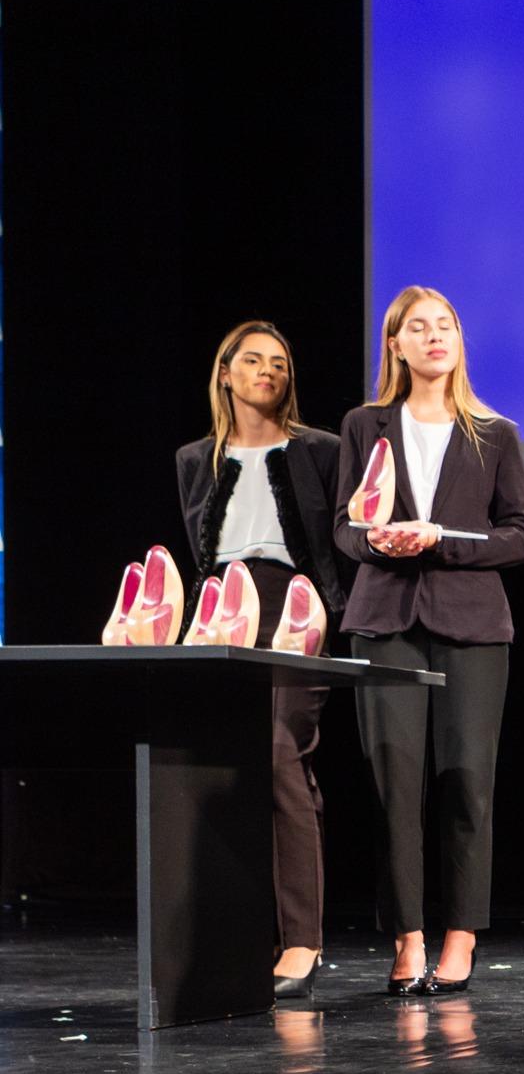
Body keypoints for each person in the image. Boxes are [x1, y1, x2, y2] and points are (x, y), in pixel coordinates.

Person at [335, 285, 524, 997]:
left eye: (445, 325)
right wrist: (380, 539)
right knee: (394, 787)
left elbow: (523, 535)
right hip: (385, 619)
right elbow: (344, 527)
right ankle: (408, 937)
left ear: (458, 340)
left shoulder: (495, 433)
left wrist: (442, 543)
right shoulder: (365, 426)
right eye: (417, 328)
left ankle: (460, 937)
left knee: (466, 786)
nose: (434, 337)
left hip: (472, 627)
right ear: (394, 344)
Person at [176, 320, 347, 999]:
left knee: (283, 757)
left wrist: (329, 610)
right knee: (220, 766)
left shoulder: (319, 451)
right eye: (253, 361)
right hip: (219, 607)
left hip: (294, 604)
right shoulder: (195, 458)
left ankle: (302, 939)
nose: (268, 372)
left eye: (279, 362)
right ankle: (238, 931)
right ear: (226, 372)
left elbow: (335, 541)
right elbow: (198, 549)